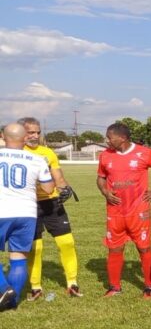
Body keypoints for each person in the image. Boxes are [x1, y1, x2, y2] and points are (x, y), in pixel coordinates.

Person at [18, 116, 81, 299]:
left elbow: (58, 176)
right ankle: (36, 287)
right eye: (30, 132)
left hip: (52, 203)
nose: (35, 136)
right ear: (21, 133)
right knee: (35, 247)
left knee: (67, 242)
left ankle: (72, 283)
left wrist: (64, 188)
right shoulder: (15, 152)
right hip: (28, 204)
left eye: (38, 132)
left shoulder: (48, 152)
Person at [96, 122, 151, 297]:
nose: (107, 141)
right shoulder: (105, 156)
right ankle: (115, 287)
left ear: (122, 137)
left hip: (138, 211)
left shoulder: (145, 153)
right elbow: (100, 179)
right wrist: (105, 192)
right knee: (114, 249)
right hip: (115, 212)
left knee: (144, 248)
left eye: (110, 137)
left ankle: (149, 286)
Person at [0, 123, 55, 310]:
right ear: (25, 138)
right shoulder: (37, 159)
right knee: (18, 258)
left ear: (3, 136)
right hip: (27, 213)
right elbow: (49, 188)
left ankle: (4, 288)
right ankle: (12, 303)